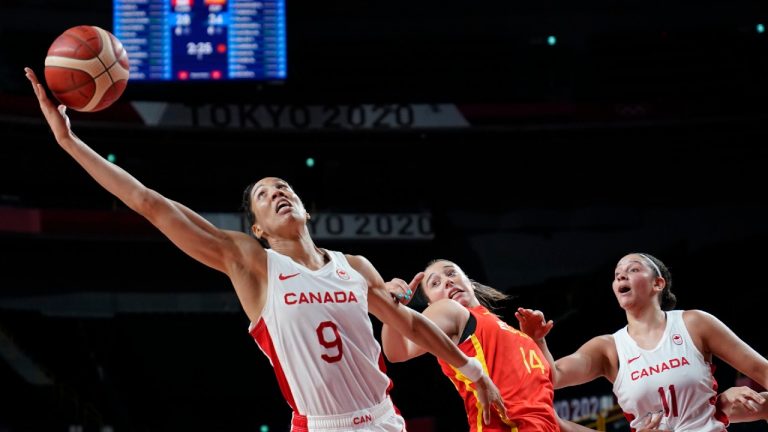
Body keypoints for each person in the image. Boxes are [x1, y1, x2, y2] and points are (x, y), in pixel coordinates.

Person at [24, 67, 508, 432]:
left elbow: (411, 325)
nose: (278, 192)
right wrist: (69, 141)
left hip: (384, 419)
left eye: (284, 187)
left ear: (305, 209)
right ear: (256, 227)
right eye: (264, 193)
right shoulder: (252, 264)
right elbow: (151, 204)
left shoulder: (355, 266)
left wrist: (474, 371)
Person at [515, 252, 768, 431]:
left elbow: (762, 370)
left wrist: (741, 405)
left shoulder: (694, 323)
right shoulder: (608, 348)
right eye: (617, 274)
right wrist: (537, 341)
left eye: (633, 269)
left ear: (658, 283)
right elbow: (553, 376)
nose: (621, 276)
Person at [382, 259, 560, 431]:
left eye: (451, 273)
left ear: (470, 282)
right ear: (431, 305)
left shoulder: (513, 332)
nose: (447, 281)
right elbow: (398, 352)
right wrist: (392, 307)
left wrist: (538, 340)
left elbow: (549, 386)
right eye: (435, 283)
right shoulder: (451, 311)